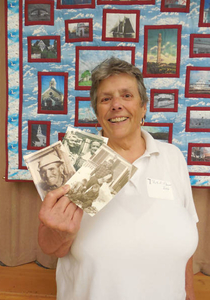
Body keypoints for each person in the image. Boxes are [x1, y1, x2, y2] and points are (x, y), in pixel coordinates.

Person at [38, 57, 199, 300]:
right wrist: (62, 233)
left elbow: (185, 242)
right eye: (106, 99)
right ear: (97, 112)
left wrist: (189, 294)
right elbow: (51, 247)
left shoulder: (172, 156)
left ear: (143, 106)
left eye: (126, 95)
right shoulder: (71, 162)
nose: (116, 105)